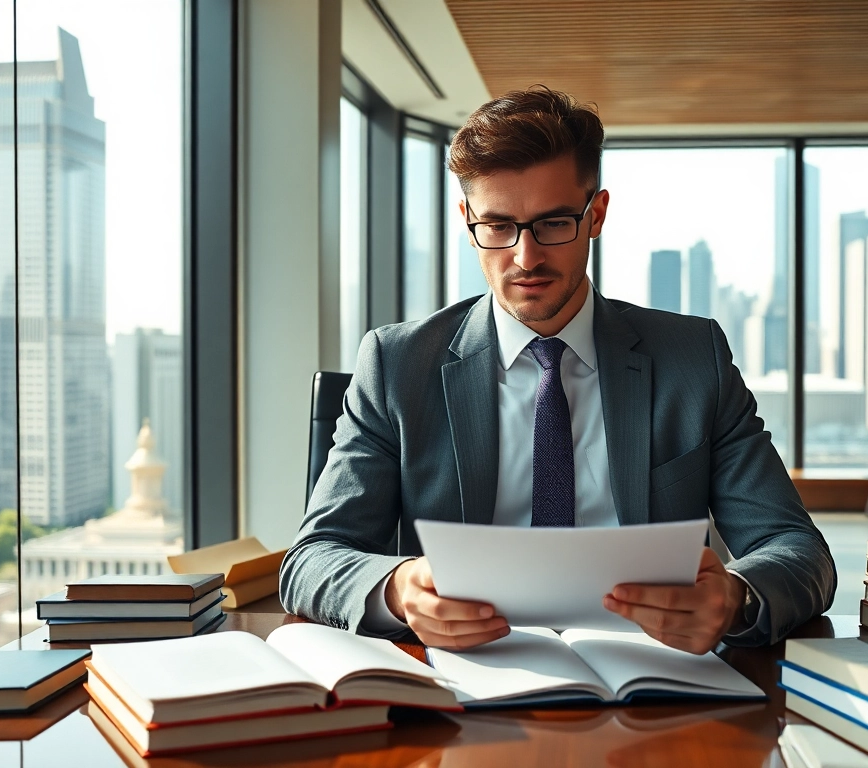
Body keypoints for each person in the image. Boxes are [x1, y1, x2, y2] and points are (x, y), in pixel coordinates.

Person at [280, 86, 835, 654]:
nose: (525, 258)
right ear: (467, 217)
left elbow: (797, 548)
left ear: (596, 214)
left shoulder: (694, 359)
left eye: (552, 224)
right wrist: (398, 590)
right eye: (498, 226)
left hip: (657, 678)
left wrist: (736, 596)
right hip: (462, 678)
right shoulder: (397, 365)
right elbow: (311, 558)